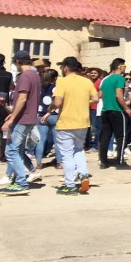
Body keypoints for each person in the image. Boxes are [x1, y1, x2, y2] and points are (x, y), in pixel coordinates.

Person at [43, 56, 96, 195]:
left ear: (66, 67)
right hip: (83, 122)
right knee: (78, 150)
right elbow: (95, 98)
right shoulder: (86, 82)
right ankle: (83, 174)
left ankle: (70, 184)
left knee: (67, 155)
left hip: (66, 122)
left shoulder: (62, 82)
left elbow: (58, 101)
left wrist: (50, 109)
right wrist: (83, 103)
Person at [0, 49, 41, 195]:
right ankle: (17, 180)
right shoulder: (35, 75)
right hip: (28, 117)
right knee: (19, 150)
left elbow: (22, 98)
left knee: (11, 151)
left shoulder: (24, 77)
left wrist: (13, 117)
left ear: (17, 62)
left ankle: (21, 182)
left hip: (23, 118)